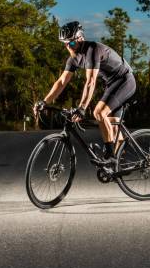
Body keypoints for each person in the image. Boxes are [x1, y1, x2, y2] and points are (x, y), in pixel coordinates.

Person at [33, 21, 136, 164]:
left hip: (125, 80)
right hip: (112, 84)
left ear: (80, 38)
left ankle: (111, 156)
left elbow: (90, 81)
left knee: (98, 112)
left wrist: (82, 108)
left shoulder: (92, 50)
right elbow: (61, 82)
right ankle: (121, 163)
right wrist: (44, 101)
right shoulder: (73, 59)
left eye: (72, 43)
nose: (69, 47)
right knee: (111, 126)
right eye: (65, 44)